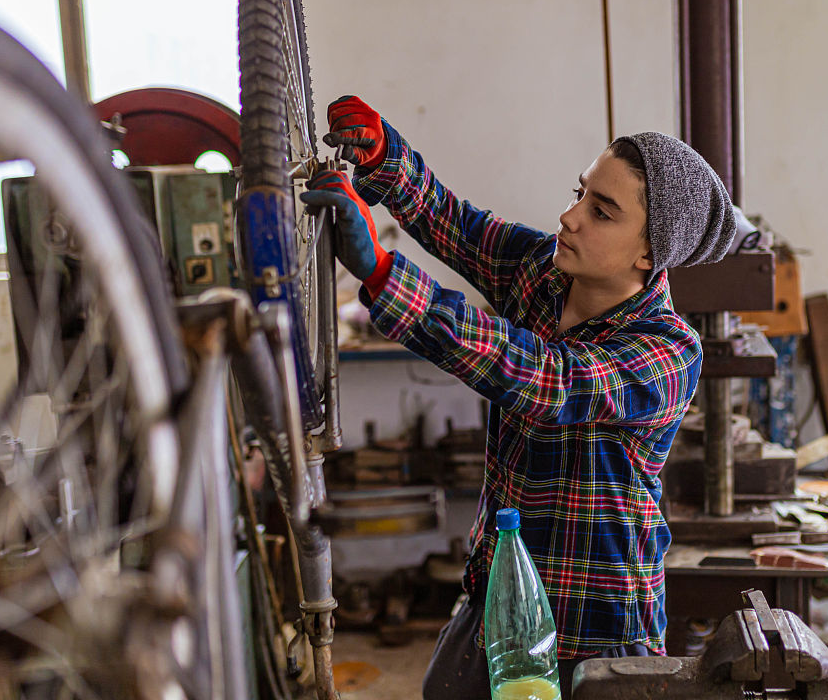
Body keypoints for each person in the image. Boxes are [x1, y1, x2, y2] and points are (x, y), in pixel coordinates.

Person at [301, 95, 736, 700]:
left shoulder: (666, 351)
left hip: (594, 624)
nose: (571, 217)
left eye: (602, 211)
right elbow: (456, 222)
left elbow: (543, 378)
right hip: (499, 591)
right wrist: (385, 157)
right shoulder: (542, 272)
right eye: (579, 192)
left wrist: (382, 272)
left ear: (648, 253)